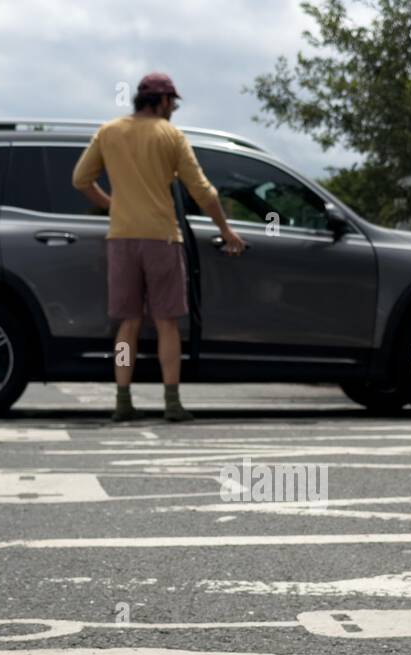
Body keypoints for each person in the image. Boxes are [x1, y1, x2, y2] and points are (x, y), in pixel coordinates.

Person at [73, 72, 247, 422]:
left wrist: (112, 205)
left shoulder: (109, 132)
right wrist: (225, 229)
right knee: (167, 323)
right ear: (164, 101)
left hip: (122, 238)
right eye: (173, 103)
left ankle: (122, 400)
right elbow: (203, 191)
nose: (174, 109)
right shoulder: (171, 136)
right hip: (162, 238)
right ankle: (172, 402)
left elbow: (81, 179)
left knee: (128, 324)